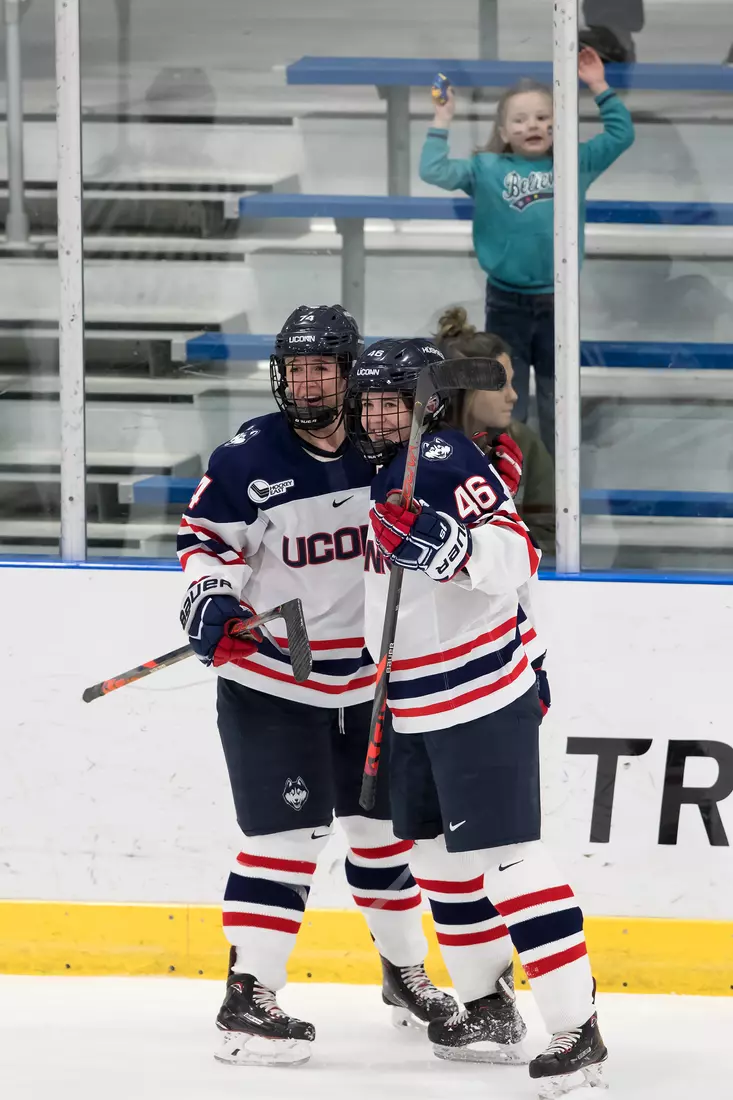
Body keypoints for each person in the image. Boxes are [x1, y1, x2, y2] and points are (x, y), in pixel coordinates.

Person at [176, 305, 457, 1067]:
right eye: (295, 367)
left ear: (349, 372)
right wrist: (211, 599)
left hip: (370, 683)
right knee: (285, 838)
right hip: (276, 680)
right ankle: (249, 995)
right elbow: (204, 547)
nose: (305, 381)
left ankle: (404, 974)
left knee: (383, 838)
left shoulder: (389, 453)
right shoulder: (246, 458)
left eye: (321, 368)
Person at [345, 338, 605, 1094]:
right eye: (369, 401)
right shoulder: (376, 468)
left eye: (393, 399)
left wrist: (449, 547)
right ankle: (487, 1006)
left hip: (480, 692)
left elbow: (516, 555)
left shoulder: (448, 459)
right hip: (411, 697)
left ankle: (575, 1027)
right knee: (432, 857)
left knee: (511, 858)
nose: (378, 413)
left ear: (425, 402)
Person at [419, 46, 635, 458]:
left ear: (558, 125)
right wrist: (443, 119)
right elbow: (434, 170)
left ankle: (553, 476)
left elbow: (622, 135)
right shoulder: (485, 169)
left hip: (559, 298)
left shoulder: (575, 161)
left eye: (542, 117)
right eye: (519, 119)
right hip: (506, 301)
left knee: (556, 392)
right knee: (504, 392)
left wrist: (599, 86)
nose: (532, 125)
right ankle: (510, 471)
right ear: (502, 130)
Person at [434, 306, 555, 557]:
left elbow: (548, 534)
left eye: (512, 382)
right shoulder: (420, 448)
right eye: (501, 385)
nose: (513, 396)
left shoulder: (523, 442)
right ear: (466, 389)